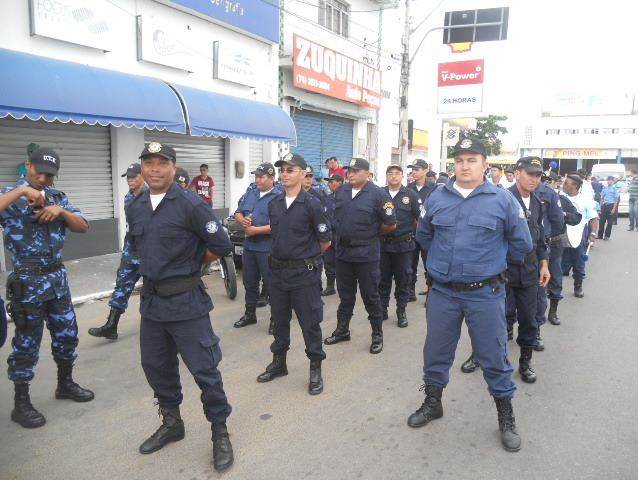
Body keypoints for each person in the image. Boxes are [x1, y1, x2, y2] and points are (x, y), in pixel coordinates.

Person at [407, 138, 532, 452]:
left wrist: (490, 266)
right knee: (435, 351)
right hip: (443, 293)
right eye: (459, 159)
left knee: (493, 356)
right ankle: (433, 402)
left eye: (472, 159)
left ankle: (506, 415)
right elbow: (424, 235)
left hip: (485, 293)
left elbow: (521, 244)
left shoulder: (503, 200)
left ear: (485, 164)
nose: (464, 165)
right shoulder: (437, 198)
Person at [127, 142, 233, 471]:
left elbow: (221, 243)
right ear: (142, 167)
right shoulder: (136, 205)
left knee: (205, 371)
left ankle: (220, 431)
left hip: (187, 303)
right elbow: (137, 246)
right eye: (149, 163)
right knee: (157, 368)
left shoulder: (190, 204)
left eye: (162, 163)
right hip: (153, 305)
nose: (155, 169)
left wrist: (192, 264)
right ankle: (173, 423)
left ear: (173, 167)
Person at [1, 147, 94, 429]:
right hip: (27, 282)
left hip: (57, 280)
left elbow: (83, 226)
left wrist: (61, 210)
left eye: (49, 175)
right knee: (26, 344)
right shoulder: (10, 196)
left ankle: (64, 384)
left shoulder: (58, 197)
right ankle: (21, 403)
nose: (42, 178)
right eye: (37, 171)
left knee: (67, 336)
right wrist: (19, 193)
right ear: (27, 165)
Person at [256, 153, 331, 395]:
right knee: (279, 321)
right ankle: (279, 364)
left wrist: (304, 257)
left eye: (290, 170)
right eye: (283, 170)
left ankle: (315, 368)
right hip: (277, 274)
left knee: (310, 324)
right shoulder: (274, 204)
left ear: (302, 173)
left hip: (303, 275)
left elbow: (325, 242)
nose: (285, 174)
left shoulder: (312, 204)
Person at [324, 158, 396, 354]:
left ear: (367, 173)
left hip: (366, 254)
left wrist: (371, 233)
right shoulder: (342, 191)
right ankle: (342, 330)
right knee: (345, 295)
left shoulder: (379, 195)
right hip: (344, 254)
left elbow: (390, 223)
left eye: (356, 171)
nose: (351, 174)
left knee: (370, 296)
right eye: (349, 170)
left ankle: (377, 334)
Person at [88, 163, 146, 340]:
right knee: (122, 286)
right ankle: (111, 326)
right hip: (131, 249)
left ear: (143, 176)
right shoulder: (128, 197)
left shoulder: (152, 197)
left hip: (148, 250)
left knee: (154, 290)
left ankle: (158, 328)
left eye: (134, 176)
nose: (130, 180)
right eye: (128, 177)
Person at [233, 163, 280, 333]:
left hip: (268, 248)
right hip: (250, 246)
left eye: (262, 177)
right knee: (249, 282)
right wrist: (242, 221)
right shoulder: (251, 192)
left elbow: (281, 224)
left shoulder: (279, 196)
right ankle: (250, 314)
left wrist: (256, 230)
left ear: (272, 178)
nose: (258, 180)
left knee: (272, 284)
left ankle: (276, 319)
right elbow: (238, 212)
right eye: (256, 176)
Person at [379, 164, 420, 327]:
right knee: (382, 279)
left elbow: (419, 219)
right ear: (386, 176)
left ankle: (401, 311)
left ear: (402, 176)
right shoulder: (379, 194)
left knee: (403, 279)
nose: (394, 176)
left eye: (397, 173)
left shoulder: (410, 195)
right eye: (390, 173)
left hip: (403, 245)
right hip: (383, 245)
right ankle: (382, 308)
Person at [561, 174, 599, 299]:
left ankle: (578, 286)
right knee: (557, 262)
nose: (563, 184)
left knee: (578, 262)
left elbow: (593, 218)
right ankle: (554, 287)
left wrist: (593, 233)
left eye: (566, 182)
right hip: (560, 234)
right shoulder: (559, 197)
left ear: (575, 186)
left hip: (579, 233)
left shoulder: (585, 201)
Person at [407, 159, 436, 300]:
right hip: (411, 232)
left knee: (428, 264)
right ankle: (410, 291)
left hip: (427, 233)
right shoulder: (408, 188)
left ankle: (431, 291)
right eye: (413, 169)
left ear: (425, 170)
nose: (414, 172)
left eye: (417, 169)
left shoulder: (434, 188)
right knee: (410, 264)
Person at [321, 173, 345, 296]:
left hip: (341, 235)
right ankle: (330, 286)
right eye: (328, 182)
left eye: (332, 181)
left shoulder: (346, 197)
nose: (329, 184)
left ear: (340, 182)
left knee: (341, 262)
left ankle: (343, 286)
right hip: (329, 235)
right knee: (329, 261)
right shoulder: (328, 198)